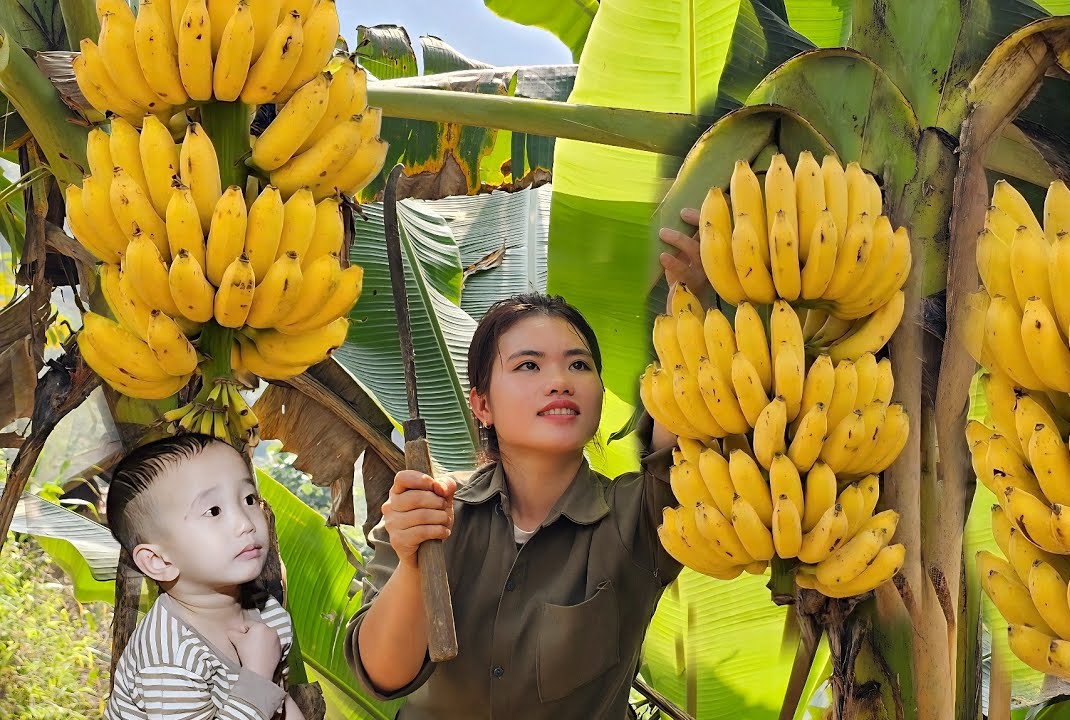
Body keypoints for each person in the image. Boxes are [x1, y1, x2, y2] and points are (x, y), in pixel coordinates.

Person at [343, 209, 708, 718]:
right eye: (528, 365)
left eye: (578, 364)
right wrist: (412, 561)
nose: (559, 381)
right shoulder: (429, 514)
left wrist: (691, 303)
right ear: (482, 405)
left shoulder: (639, 518)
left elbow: (682, 427)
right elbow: (384, 676)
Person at [103, 433, 301, 720]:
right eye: (214, 511)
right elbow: (264, 691)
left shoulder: (269, 613)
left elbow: (278, 701)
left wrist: (265, 679)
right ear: (159, 561)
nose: (245, 523)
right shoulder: (169, 659)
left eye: (248, 499)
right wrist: (258, 675)